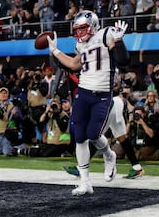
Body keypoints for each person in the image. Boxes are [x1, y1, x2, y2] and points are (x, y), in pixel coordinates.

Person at [46, 10, 130, 195]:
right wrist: (55, 50)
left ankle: (109, 155)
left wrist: (120, 41)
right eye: (77, 29)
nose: (79, 33)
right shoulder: (80, 45)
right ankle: (85, 182)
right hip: (83, 92)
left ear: (93, 25)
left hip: (102, 94)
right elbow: (75, 64)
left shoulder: (106, 34)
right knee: (79, 135)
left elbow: (124, 60)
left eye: (83, 28)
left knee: (93, 134)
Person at [0, 87, 21, 156]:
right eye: (1, 93)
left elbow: (20, 117)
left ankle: (20, 148)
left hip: (6, 132)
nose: (3, 95)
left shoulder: (12, 106)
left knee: (7, 152)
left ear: (8, 95)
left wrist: (15, 114)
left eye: (5, 93)